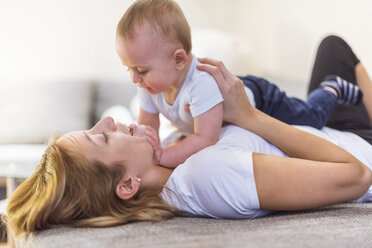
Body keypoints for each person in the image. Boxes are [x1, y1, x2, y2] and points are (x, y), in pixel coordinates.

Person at [4, 35, 372, 237]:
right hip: (362, 150)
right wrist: (247, 115)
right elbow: (357, 176)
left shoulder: (172, 157)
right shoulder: (205, 175)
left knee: (332, 48)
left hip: (331, 131)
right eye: (102, 138)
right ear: (128, 185)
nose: (110, 123)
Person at [115, 0, 362, 169]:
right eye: (129, 69)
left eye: (141, 70)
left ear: (179, 59)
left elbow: (204, 138)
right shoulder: (148, 86)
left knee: (311, 117)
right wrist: (147, 149)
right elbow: (147, 128)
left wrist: (163, 156)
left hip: (261, 99)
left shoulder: (200, 85)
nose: (134, 79)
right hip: (236, 102)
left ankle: (331, 88)